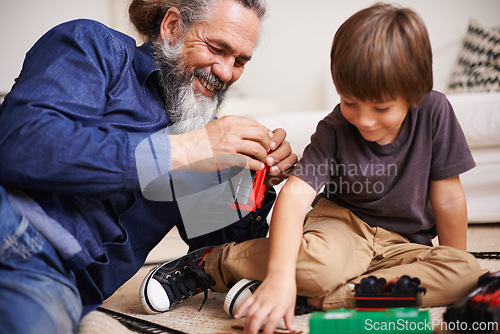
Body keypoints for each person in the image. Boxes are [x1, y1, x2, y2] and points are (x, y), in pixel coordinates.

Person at [140, 3, 484, 334]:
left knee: (465, 272)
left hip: (404, 245)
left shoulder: (436, 111)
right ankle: (213, 263)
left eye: (380, 108)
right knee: (315, 266)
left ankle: (322, 298)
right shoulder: (335, 128)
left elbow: (449, 197)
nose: (363, 120)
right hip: (343, 230)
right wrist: (279, 278)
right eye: (349, 102)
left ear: (415, 94)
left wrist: (453, 269)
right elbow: (294, 197)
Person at [0, 0, 297, 333]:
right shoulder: (96, 47)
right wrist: (189, 148)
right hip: (11, 222)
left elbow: (223, 256)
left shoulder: (209, 140)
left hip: (56, 283)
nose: (226, 73)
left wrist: (258, 177)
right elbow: (23, 145)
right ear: (171, 26)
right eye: (217, 48)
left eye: (240, 61)